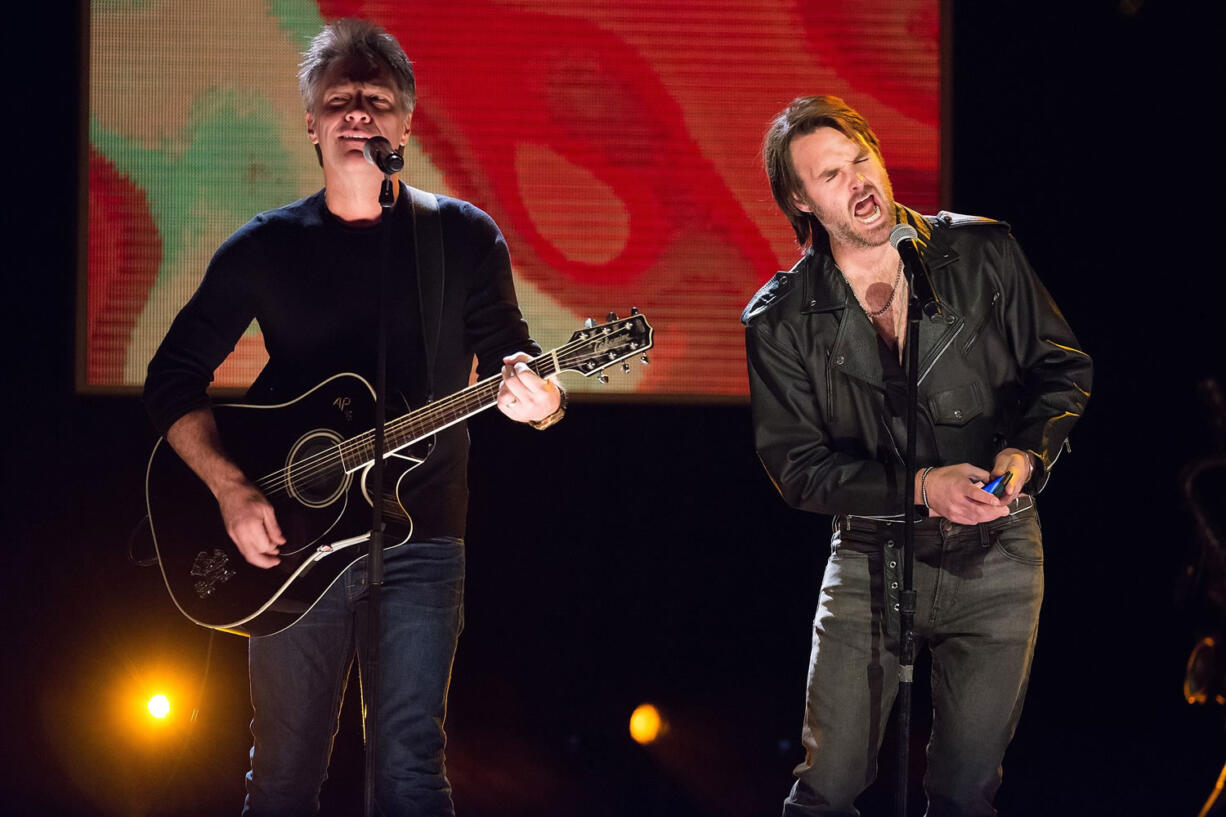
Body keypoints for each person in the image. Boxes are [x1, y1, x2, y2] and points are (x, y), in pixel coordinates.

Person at [143, 19, 564, 816]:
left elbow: (515, 359)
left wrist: (543, 402)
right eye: (339, 101)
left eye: (376, 101)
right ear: (310, 122)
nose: (357, 115)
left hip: (423, 534)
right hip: (289, 542)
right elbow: (172, 379)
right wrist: (232, 490)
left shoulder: (464, 238)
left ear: (406, 122)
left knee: (410, 766)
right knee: (283, 772)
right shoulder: (264, 247)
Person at [742, 96, 1092, 816]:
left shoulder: (983, 251)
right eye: (831, 175)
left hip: (997, 553)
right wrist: (925, 485)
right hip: (871, 557)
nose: (859, 181)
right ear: (800, 200)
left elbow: (1062, 369)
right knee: (828, 787)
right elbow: (799, 467)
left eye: (861, 157)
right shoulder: (779, 319)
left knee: (966, 791)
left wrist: (1026, 454)